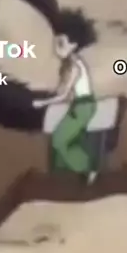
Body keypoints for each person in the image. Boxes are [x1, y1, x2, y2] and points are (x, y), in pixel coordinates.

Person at [33, 10, 98, 182]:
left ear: (73, 45)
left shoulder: (74, 66)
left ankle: (87, 167)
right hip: (78, 105)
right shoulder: (69, 63)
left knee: (59, 140)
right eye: (56, 43)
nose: (56, 48)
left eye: (61, 43)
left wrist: (42, 103)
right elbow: (61, 90)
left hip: (83, 107)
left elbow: (62, 95)